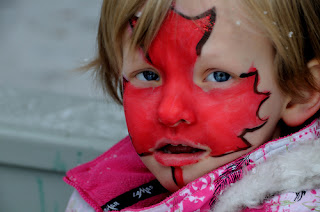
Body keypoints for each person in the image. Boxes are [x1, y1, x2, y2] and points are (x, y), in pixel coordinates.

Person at [64, 0, 320, 211]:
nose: (170, 113)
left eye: (218, 76)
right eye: (148, 75)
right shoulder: (104, 193)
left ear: (300, 92)